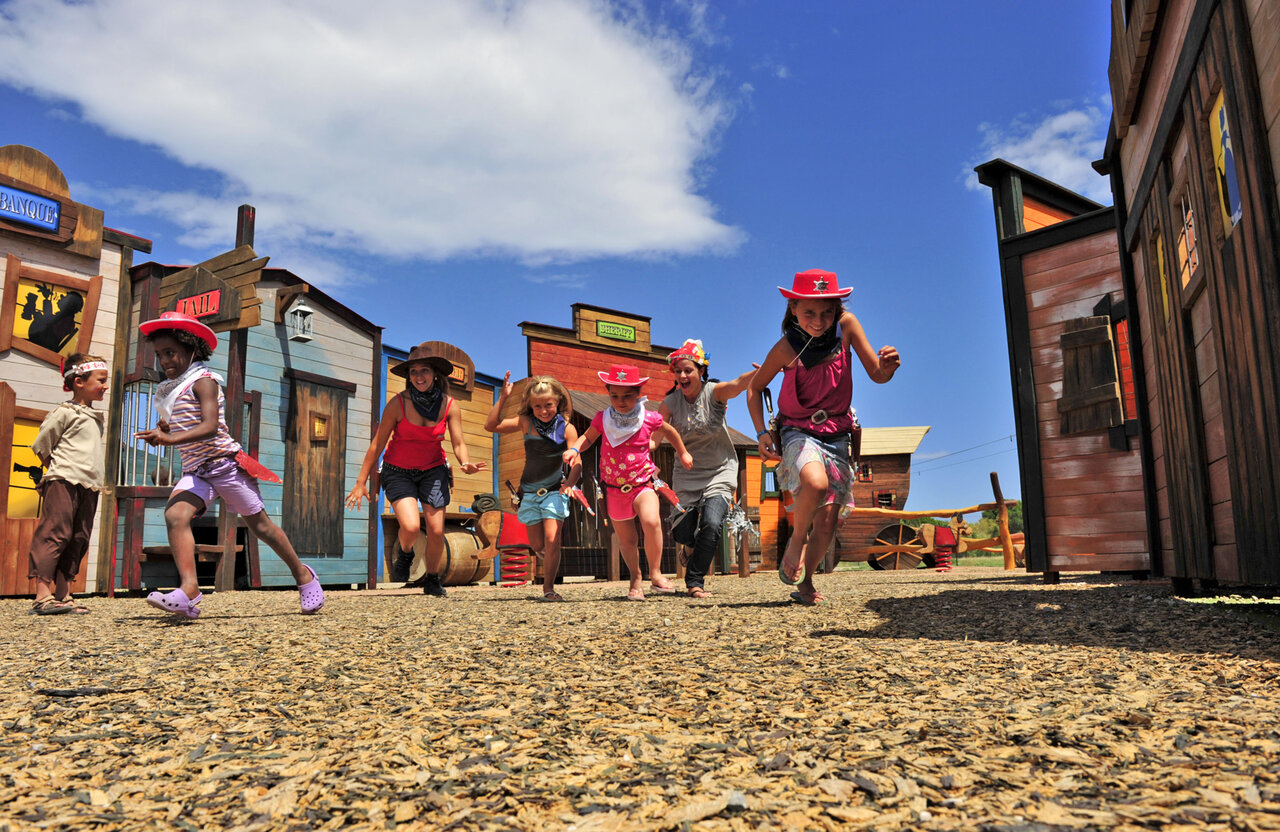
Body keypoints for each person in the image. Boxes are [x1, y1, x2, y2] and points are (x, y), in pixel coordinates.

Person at [134, 311, 325, 619]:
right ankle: (190, 591)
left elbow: (210, 426)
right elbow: (181, 424)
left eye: (170, 352)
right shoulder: (172, 389)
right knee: (175, 515)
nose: (164, 360)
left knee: (261, 527)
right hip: (197, 471)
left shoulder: (204, 382)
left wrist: (170, 439)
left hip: (225, 467)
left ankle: (304, 577)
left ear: (191, 349)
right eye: (159, 354)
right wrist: (165, 432)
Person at [747, 269, 900, 605]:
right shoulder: (787, 347)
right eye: (809, 312)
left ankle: (806, 582)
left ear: (837, 308)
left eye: (827, 311)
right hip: (798, 430)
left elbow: (876, 373)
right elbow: (755, 388)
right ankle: (797, 538)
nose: (818, 320)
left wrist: (886, 370)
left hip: (838, 433)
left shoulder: (846, 328)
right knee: (814, 484)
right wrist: (761, 433)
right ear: (793, 310)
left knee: (828, 524)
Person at [346, 342, 487, 597]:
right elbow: (377, 445)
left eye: (424, 371)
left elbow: (458, 442)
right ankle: (407, 552)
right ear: (409, 377)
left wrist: (465, 462)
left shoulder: (450, 405)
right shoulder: (397, 404)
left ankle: (432, 578)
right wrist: (360, 482)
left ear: (435, 374)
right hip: (397, 470)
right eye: (413, 372)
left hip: (433, 470)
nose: (419, 376)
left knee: (436, 530)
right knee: (411, 527)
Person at [565, 364, 692, 601]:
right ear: (608, 393)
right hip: (614, 490)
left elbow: (670, 431)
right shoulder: (603, 419)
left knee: (652, 521)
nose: (620, 401)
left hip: (642, 484)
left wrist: (683, 452)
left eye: (627, 396)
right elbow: (588, 438)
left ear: (638, 394)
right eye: (614, 395)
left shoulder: (649, 417)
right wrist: (574, 448)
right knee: (627, 540)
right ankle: (635, 577)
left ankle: (655, 573)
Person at [657, 339, 756, 599]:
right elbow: (653, 437)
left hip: (720, 471)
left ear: (701, 371)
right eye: (678, 371)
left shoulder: (714, 393)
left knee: (712, 523)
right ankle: (688, 548)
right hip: (686, 475)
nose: (682, 375)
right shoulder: (669, 403)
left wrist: (765, 368)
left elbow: (737, 384)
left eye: (688, 370)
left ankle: (695, 581)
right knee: (682, 531)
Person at [483, 373, 582, 601]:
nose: (543, 410)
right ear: (530, 406)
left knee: (551, 539)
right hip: (528, 492)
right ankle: (551, 558)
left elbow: (577, 463)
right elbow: (491, 425)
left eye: (548, 405)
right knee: (537, 544)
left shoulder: (567, 429)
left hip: (554, 491)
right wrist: (504, 397)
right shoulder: (526, 423)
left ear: (558, 401)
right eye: (537, 406)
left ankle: (548, 588)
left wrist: (569, 484)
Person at [26, 353, 110, 615]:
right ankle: (43, 595)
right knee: (56, 531)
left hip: (90, 485)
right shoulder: (64, 412)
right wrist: (57, 469)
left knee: (79, 536)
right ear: (79, 381)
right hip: (63, 479)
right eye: (101, 380)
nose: (105, 386)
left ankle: (63, 593)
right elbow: (41, 445)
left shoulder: (96, 417)